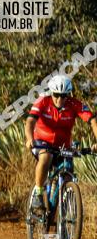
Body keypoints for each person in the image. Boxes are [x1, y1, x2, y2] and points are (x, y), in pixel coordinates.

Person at [25, 75, 97, 210]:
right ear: (51, 93)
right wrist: (30, 139)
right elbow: (30, 121)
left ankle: (66, 213)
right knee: (46, 156)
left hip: (62, 145)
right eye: (56, 95)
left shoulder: (74, 104)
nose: (59, 99)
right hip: (41, 142)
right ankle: (38, 193)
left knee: (68, 170)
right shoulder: (42, 101)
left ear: (68, 95)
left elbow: (92, 121)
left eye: (63, 96)